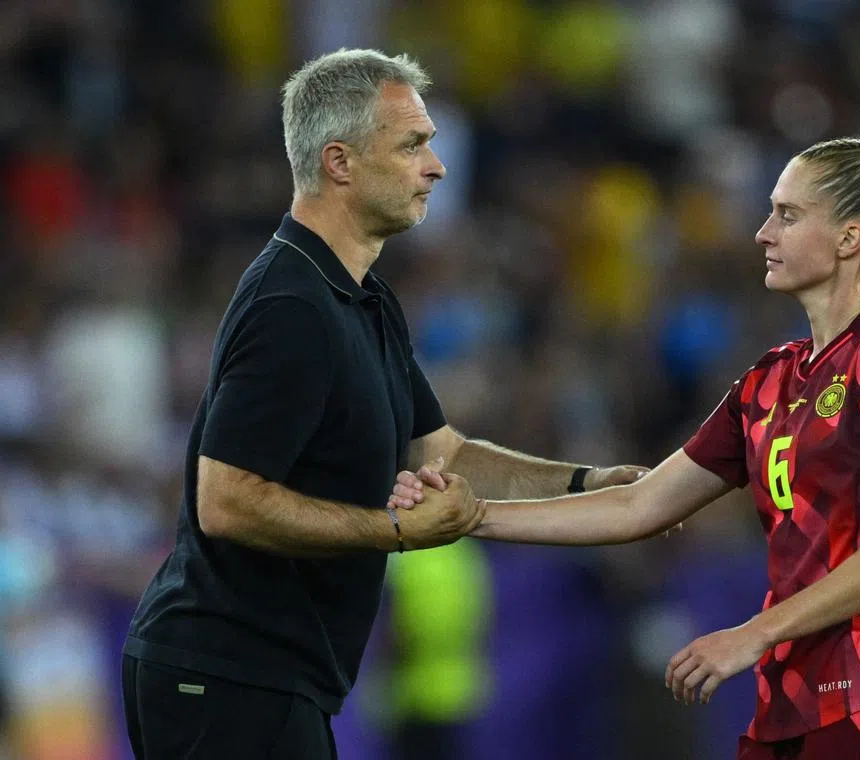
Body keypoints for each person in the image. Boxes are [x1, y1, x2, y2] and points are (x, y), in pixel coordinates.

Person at [120, 48, 645, 760]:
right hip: (223, 677)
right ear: (339, 162)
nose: (437, 166)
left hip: (269, 681)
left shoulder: (363, 298)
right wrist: (396, 530)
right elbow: (226, 501)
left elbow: (447, 453)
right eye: (413, 145)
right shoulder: (291, 303)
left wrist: (587, 482)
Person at [394, 137, 860, 759]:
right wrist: (472, 517)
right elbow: (637, 507)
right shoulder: (769, 380)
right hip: (793, 707)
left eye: (788, 214)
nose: (762, 232)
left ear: (850, 239)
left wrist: (753, 633)